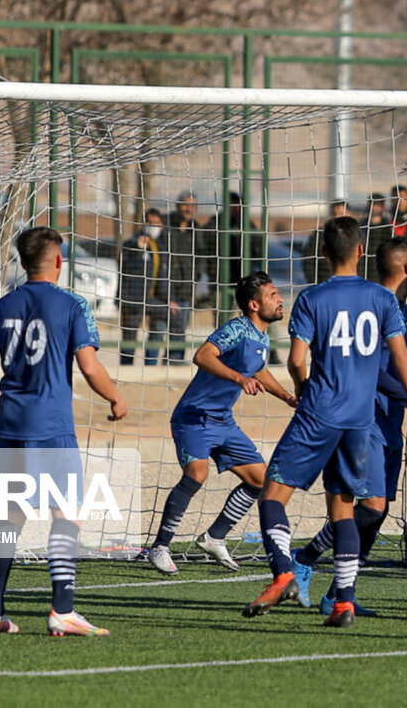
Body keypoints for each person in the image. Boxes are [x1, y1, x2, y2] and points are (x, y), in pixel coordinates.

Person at [243, 216, 407, 628]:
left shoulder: (313, 299)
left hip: (319, 412)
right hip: (359, 419)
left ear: (324, 254)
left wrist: (303, 387)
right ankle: (343, 602)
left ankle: (284, 571)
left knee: (273, 498)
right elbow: (402, 359)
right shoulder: (382, 300)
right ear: (360, 253)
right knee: (344, 510)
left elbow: (297, 360)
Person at [0, 226, 127, 637]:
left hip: (9, 429)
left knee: (8, 520)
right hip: (51, 429)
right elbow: (90, 367)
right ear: (58, 261)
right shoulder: (72, 306)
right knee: (67, 514)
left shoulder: (1, 306)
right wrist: (115, 397)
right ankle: (63, 609)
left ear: (21, 263)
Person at [290, 237, 407, 614]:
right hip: (364, 419)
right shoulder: (374, 304)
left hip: (390, 419)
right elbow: (379, 372)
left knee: (376, 512)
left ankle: (339, 593)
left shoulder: (400, 310)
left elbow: (405, 369)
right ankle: (306, 555)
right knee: (370, 506)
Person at [146, 271, 296, 576]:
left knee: (259, 479)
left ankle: (214, 537)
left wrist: (287, 397)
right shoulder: (237, 329)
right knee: (197, 474)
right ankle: (160, 547)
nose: (280, 300)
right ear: (254, 305)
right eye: (272, 295)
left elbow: (257, 368)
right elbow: (203, 356)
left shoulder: (262, 336)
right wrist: (240, 378)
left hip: (223, 421)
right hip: (194, 417)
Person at [118, 208, 166, 365]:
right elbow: (125, 264)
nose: (153, 226)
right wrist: (137, 248)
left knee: (165, 322)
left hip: (153, 298)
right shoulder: (133, 243)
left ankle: (152, 364)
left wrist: (168, 298)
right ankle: (126, 367)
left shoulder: (160, 245)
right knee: (130, 337)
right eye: (150, 223)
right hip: (133, 298)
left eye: (157, 223)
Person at [159, 191, 202, 362]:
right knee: (159, 327)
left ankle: (175, 361)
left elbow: (201, 256)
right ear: (178, 206)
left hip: (186, 288)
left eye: (193, 205)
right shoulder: (165, 226)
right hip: (165, 286)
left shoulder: (196, 229)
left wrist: (196, 275)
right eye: (185, 204)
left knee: (180, 328)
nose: (188, 209)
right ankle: (151, 362)